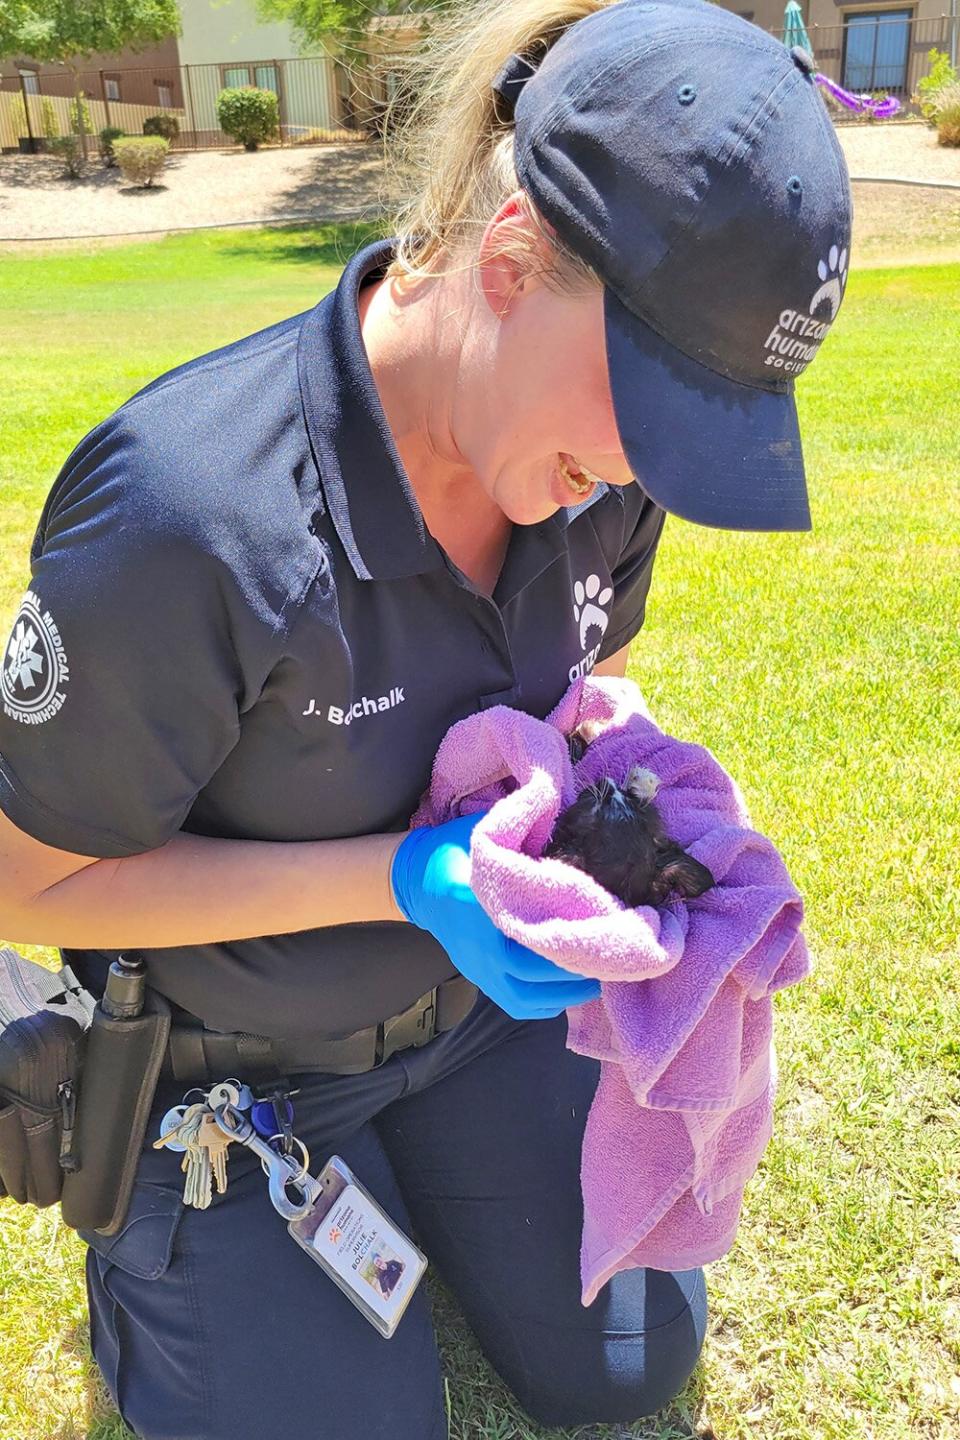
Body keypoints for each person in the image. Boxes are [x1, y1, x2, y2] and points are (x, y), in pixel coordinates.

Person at [0, 0, 851, 1435]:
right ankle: (153, 1247)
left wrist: (621, 787)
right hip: (227, 1062)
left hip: (468, 1023)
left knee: (626, 1365)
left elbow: (578, 684)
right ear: (510, 260)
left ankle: (417, 1188)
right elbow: (26, 877)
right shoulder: (190, 516)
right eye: (648, 404)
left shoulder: (606, 475)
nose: (641, 470)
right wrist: (394, 876)